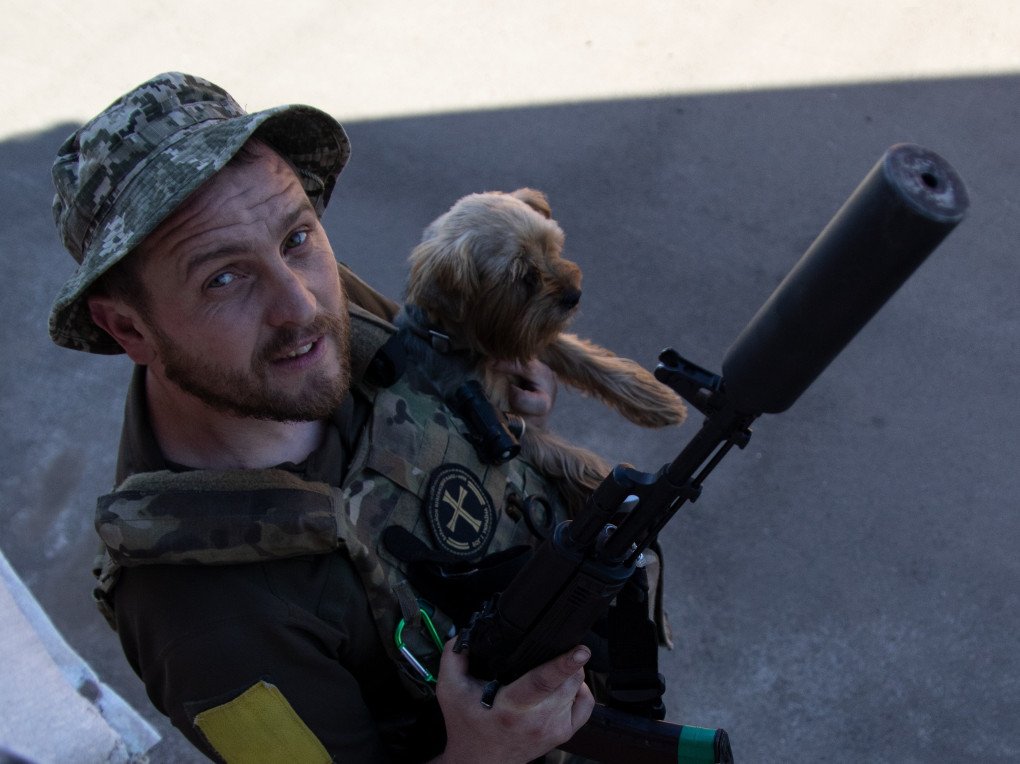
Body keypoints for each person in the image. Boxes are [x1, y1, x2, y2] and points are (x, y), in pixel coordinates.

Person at [49, 72, 595, 763]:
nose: (301, 306)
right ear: (128, 328)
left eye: (298, 236)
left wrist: (502, 393)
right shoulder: (203, 622)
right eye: (224, 277)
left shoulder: (320, 325)